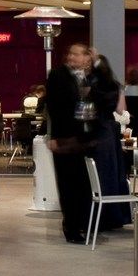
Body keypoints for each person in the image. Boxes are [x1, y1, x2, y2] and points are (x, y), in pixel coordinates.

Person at [45, 41, 96, 243]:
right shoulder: (58, 75)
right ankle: (71, 228)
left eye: (78, 54)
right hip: (65, 139)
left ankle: (83, 223)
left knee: (83, 184)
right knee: (68, 185)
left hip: (81, 139)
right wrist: (54, 137)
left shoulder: (86, 76)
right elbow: (54, 108)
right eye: (71, 54)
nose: (73, 57)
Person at [87, 52, 131, 232]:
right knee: (111, 173)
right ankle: (114, 215)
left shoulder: (91, 84)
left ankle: (99, 216)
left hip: (97, 131)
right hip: (110, 132)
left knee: (99, 174)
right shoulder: (114, 85)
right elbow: (121, 110)